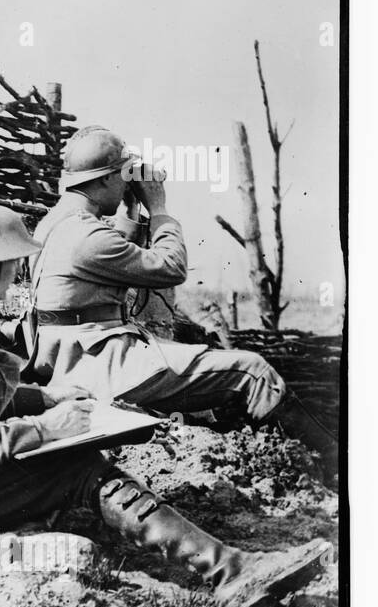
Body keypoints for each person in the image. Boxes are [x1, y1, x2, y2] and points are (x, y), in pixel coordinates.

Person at [0, 203, 328, 607]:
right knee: (78, 467)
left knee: (65, 462)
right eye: (12, 263)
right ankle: (230, 572)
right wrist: (47, 429)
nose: (18, 273)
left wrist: (45, 398)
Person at [28, 126, 335, 460]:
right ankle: (333, 462)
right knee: (254, 371)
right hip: (102, 368)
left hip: (70, 358)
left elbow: (111, 261)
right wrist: (158, 208)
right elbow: (169, 269)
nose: (128, 181)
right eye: (123, 175)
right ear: (104, 180)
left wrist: (130, 212)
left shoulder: (56, 223)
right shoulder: (87, 235)